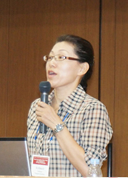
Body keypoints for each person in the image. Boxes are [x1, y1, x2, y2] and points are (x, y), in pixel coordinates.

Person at [26, 34, 113, 176]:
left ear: (82, 68)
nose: (51, 63)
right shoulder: (38, 106)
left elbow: (91, 172)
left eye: (61, 57)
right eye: (50, 57)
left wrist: (57, 125)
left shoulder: (92, 109)